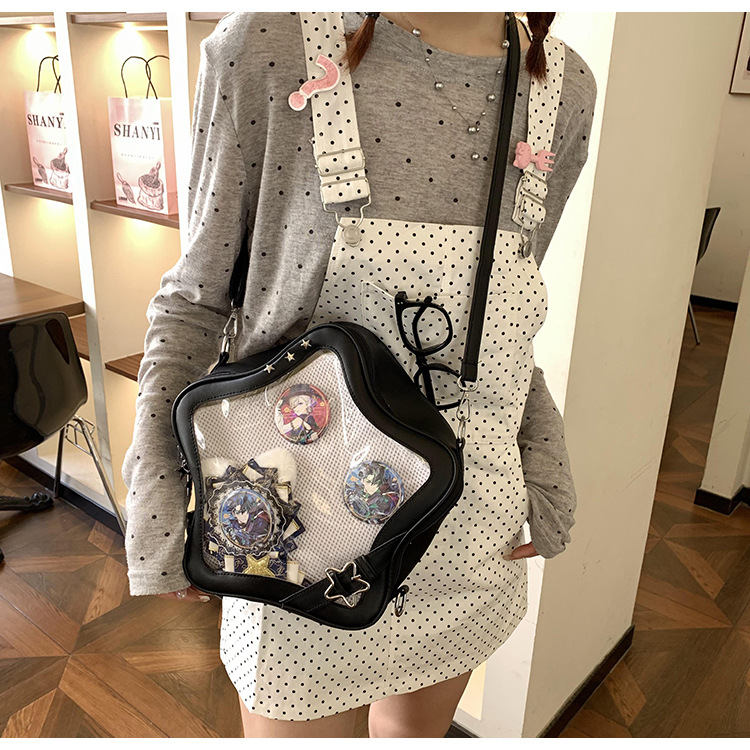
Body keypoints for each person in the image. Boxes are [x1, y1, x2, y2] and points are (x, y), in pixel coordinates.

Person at [122, 11, 596, 738]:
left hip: (469, 526)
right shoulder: (267, 46)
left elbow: (504, 321)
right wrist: (157, 496)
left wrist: (546, 460)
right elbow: (195, 301)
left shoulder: (564, 89)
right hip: (298, 525)